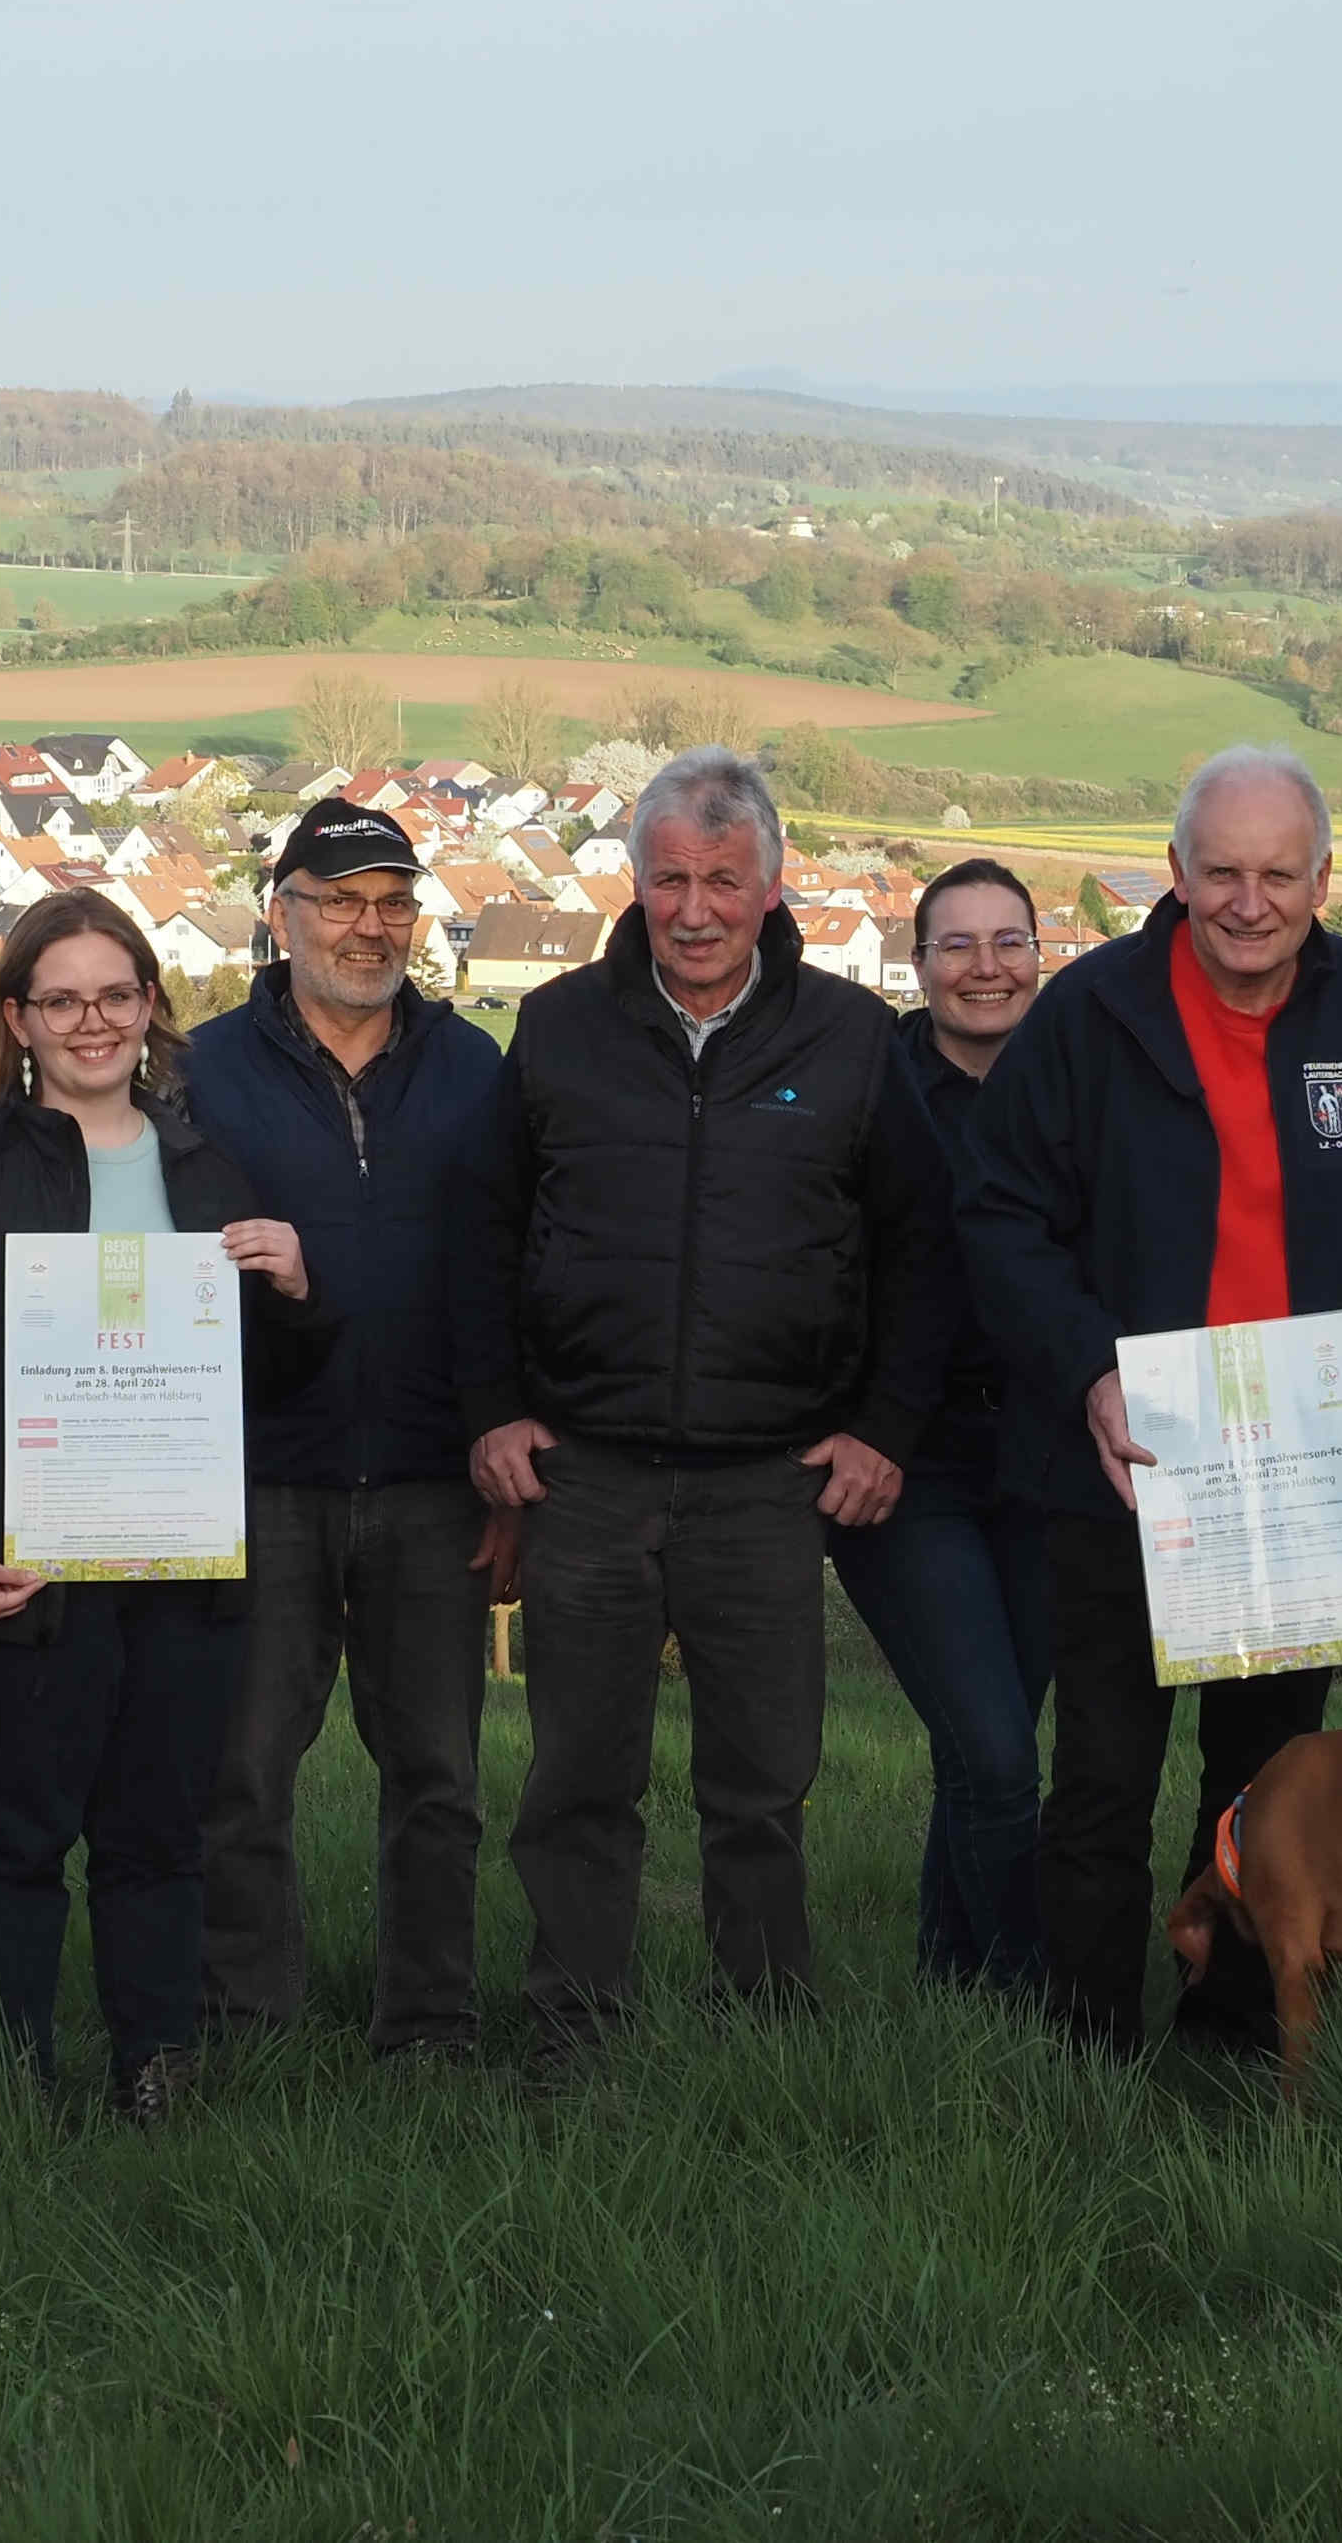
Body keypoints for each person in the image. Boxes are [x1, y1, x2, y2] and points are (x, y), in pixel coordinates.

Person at [964, 745, 1342, 2058]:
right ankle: (1089, 2041)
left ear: (1323, 879)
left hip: (1299, 1459)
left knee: (1265, 1791)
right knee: (1102, 1776)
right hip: (1130, 1457)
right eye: (1221, 872)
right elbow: (1001, 1214)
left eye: (1278, 874)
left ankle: (1238, 2035)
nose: (1249, 901)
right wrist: (1087, 1365)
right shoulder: (1087, 1016)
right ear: (1178, 872)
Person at [461, 745, 955, 2066]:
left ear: (773, 882)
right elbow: (486, 1233)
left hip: (765, 1478)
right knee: (577, 1779)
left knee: (761, 1783)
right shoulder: (560, 1027)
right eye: (670, 877)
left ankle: (765, 2032)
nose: (694, 908)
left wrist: (885, 1427)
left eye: (722, 880)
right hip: (588, 1472)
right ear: (635, 881)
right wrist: (494, 1410)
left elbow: (921, 1247)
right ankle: (572, 2031)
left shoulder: (851, 1039)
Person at [0, 892, 332, 2114]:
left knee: (160, 1835)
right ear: (16, 1019)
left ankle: (155, 2069)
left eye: (115, 995)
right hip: (25, 1578)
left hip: (182, 1575)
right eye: (62, 999)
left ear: (151, 1011)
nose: (92, 1021)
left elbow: (267, 1387)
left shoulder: (209, 1169)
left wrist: (293, 1291)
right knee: (17, 1834)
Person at [187, 798, 512, 2058]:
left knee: (437, 1779)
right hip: (263, 1473)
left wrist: (504, 1456)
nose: (367, 928)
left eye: (391, 903)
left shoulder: (477, 1067)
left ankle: (430, 2023)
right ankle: (243, 2020)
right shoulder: (202, 1069)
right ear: (281, 917)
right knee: (244, 1776)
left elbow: (509, 1271)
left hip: (436, 1473)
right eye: (338, 900)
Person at [831, 856, 1057, 1992]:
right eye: (956, 946)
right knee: (999, 1747)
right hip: (904, 1465)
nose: (985, 967)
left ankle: (948, 1984)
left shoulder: (1078, 1084)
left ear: (1040, 950)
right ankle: (1033, 1996)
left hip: (1054, 1462)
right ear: (917, 967)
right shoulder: (869, 1087)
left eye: (1007, 940)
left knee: (987, 1745)